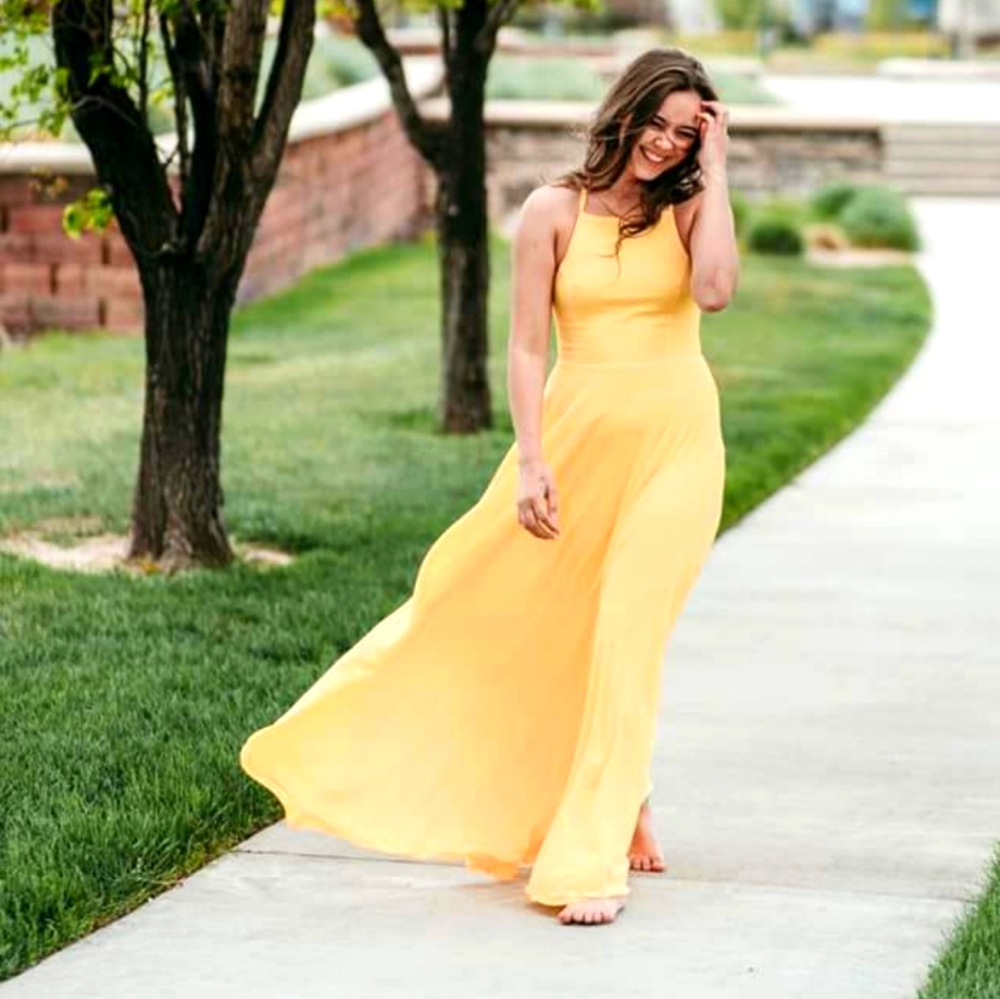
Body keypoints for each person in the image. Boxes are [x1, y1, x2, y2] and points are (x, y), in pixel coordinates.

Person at [240, 47, 739, 928]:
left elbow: (718, 291)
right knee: (529, 625)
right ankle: (626, 795)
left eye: (684, 131)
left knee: (628, 633)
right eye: (657, 124)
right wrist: (532, 459)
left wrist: (721, 169)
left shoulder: (693, 205)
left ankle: (587, 856)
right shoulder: (553, 210)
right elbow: (524, 349)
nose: (665, 145)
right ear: (626, 113)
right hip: (576, 444)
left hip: (678, 446)